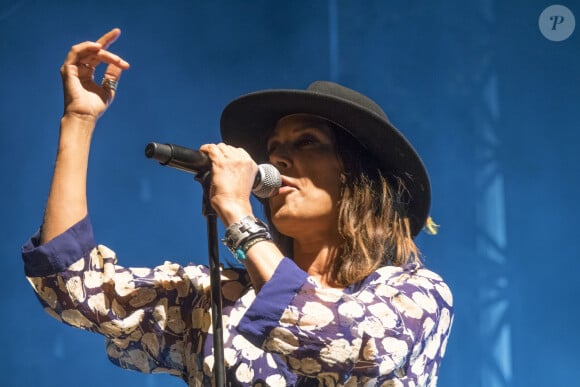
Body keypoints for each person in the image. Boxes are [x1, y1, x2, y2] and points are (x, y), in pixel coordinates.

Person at [22, 28, 453, 386]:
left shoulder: (415, 296)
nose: (277, 160)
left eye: (306, 143)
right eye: (273, 149)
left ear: (358, 179)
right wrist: (78, 121)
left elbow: (338, 343)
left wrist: (239, 215)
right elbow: (71, 288)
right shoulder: (218, 299)